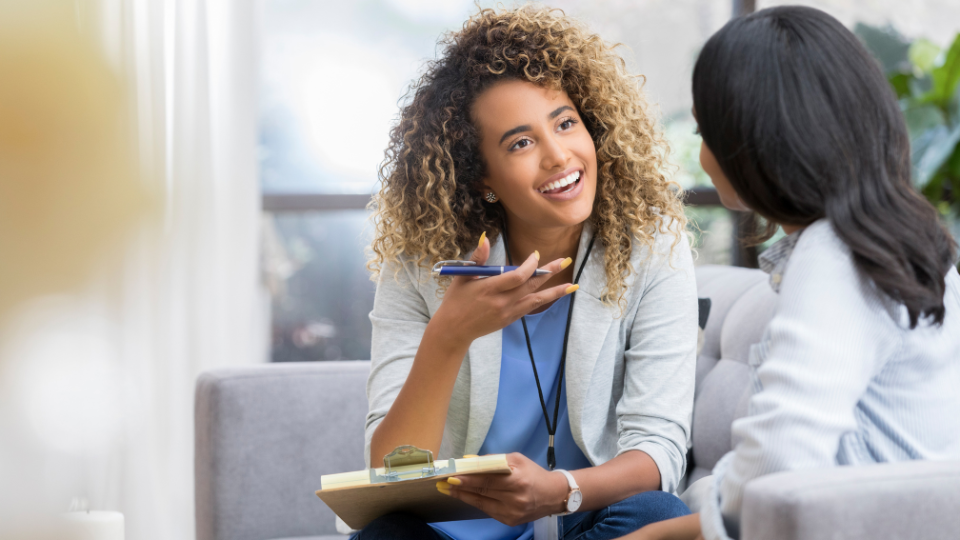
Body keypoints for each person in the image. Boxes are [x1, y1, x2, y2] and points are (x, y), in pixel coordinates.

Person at [358, 5, 698, 540]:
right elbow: (389, 476)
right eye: (520, 142)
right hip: (457, 534)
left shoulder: (651, 250)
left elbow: (658, 450)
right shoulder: (420, 268)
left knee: (658, 515)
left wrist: (559, 490)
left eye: (566, 123)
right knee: (386, 533)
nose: (559, 156)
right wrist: (450, 334)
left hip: (585, 520)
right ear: (481, 179)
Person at [625, 6, 960, 540]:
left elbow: (776, 466)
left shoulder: (835, 256)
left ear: (757, 142)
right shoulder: (903, 241)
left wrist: (658, 535)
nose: (704, 155)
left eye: (705, 130)